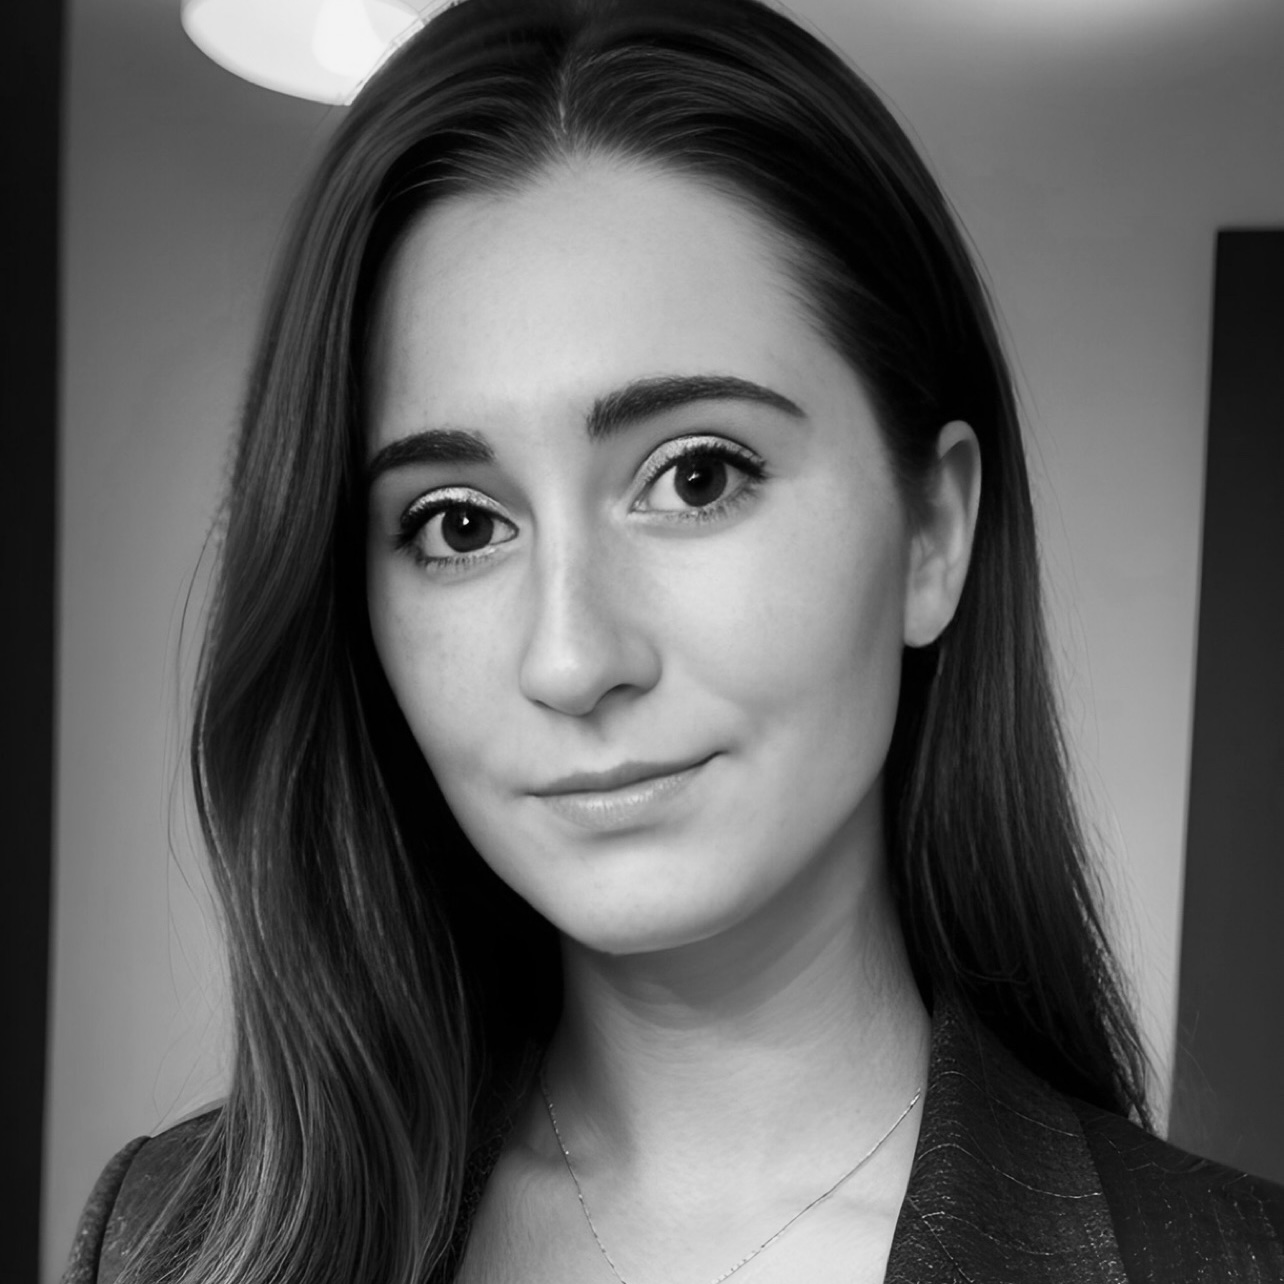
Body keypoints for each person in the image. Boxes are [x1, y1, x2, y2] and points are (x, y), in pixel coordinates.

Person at [63, 0, 1284, 1281]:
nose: (572, 659)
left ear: (934, 530)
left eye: (697, 477)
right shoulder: (166, 1238)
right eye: (460, 524)